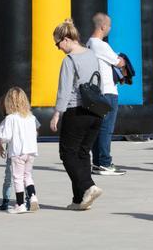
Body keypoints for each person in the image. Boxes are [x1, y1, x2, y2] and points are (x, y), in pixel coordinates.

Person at [50, 19, 104, 210]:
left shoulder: (69, 60)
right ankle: (79, 199)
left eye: (58, 44)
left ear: (66, 39)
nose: (58, 48)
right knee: (82, 153)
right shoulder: (91, 55)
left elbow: (64, 91)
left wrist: (57, 114)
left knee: (67, 153)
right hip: (96, 111)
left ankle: (88, 186)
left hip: (76, 111)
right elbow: (100, 83)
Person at [86, 12, 126, 176]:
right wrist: (122, 60)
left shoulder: (89, 43)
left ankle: (97, 162)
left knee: (97, 128)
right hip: (108, 91)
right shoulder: (100, 45)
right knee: (106, 128)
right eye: (109, 25)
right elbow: (119, 62)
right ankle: (104, 162)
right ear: (103, 26)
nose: (110, 28)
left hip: (97, 92)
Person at [0, 87, 40, 214]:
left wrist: (0, 144)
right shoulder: (31, 117)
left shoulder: (10, 118)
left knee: (17, 178)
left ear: (8, 103)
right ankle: (33, 196)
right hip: (31, 152)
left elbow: (5, 137)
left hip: (18, 152)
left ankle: (20, 204)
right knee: (28, 176)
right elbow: (36, 133)